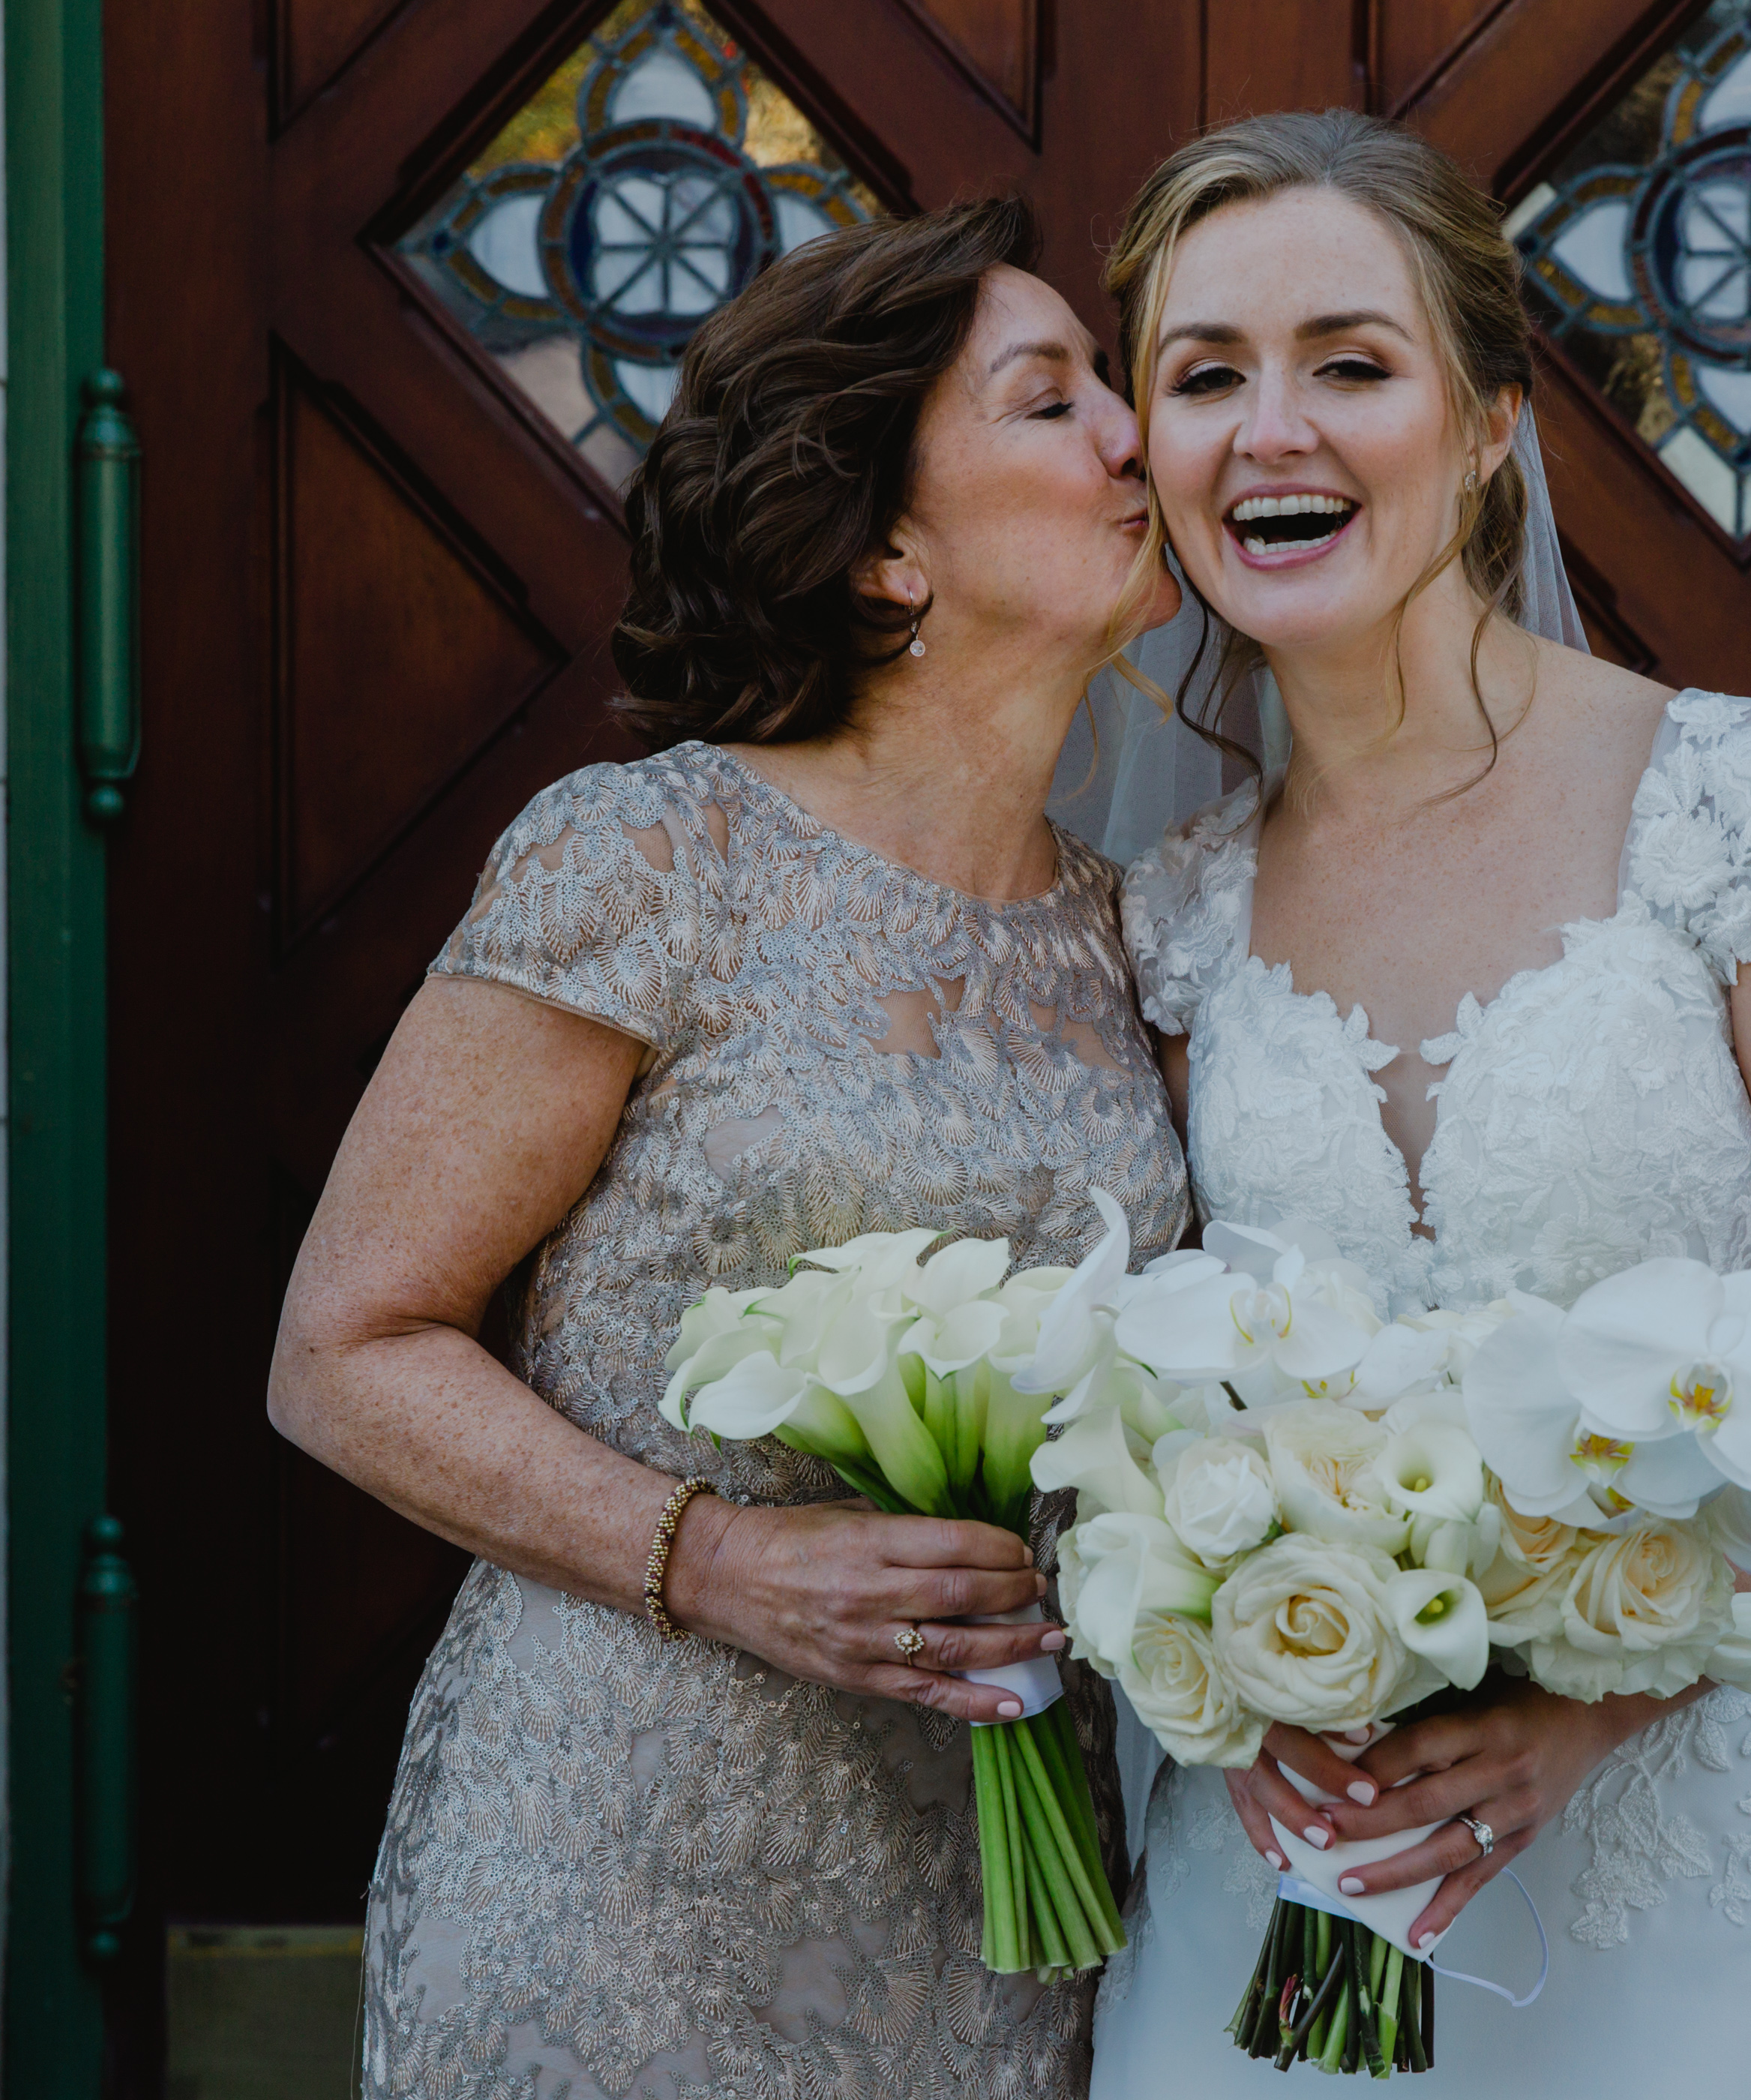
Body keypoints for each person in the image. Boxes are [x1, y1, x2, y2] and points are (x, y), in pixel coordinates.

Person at [1082, 112, 1751, 2098]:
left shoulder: (1743, 812)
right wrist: (1240, 1651)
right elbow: (1165, 1404)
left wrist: (1605, 1697)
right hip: (1296, 1869)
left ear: (1493, 423)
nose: (1271, 433)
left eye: (1350, 363)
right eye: (1206, 375)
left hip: (1689, 1873)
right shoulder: (1179, 915)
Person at [267, 196, 1190, 2099]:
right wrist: (720, 1559)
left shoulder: (1139, 936)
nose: (1137, 435)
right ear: (885, 550)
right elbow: (344, 1351)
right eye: (1053, 400)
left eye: (1113, 386)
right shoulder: (650, 858)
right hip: (626, 1850)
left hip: (995, 1876)